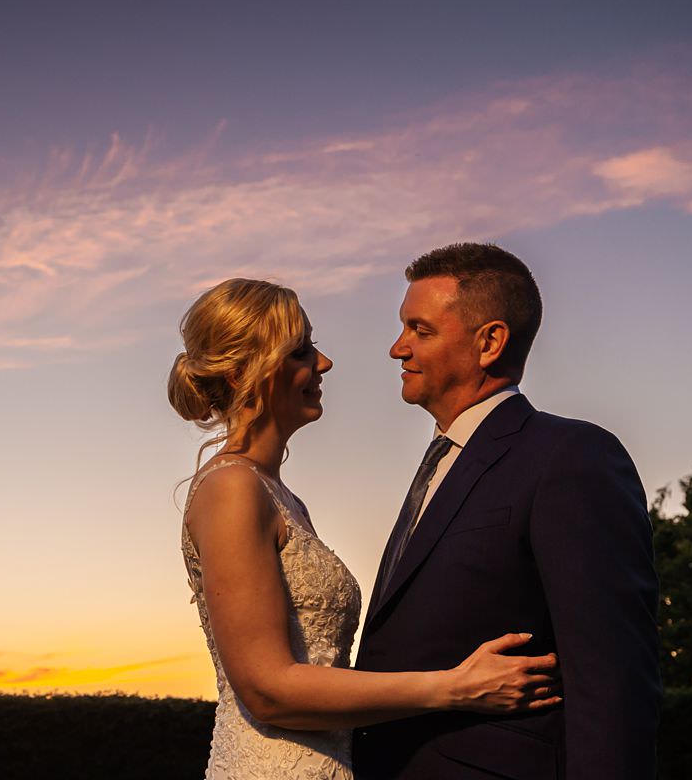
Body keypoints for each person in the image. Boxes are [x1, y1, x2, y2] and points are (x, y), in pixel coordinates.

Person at [169, 278, 562, 780]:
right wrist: (455, 687)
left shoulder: (279, 496)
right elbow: (267, 690)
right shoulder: (231, 490)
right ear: (249, 369)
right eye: (301, 351)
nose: (324, 363)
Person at [353, 243, 661, 779]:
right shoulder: (439, 463)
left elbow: (614, 678)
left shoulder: (569, 457)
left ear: (490, 342)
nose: (397, 348)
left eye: (419, 330)